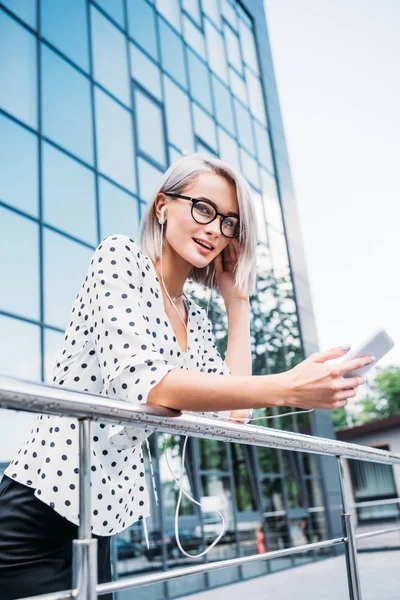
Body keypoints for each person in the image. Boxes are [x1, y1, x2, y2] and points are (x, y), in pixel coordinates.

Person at [0, 154, 372, 599]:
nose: (215, 229)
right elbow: (148, 383)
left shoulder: (192, 318)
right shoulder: (119, 259)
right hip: (40, 505)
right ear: (162, 207)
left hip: (102, 516)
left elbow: (236, 412)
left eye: (230, 222)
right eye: (203, 208)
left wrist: (238, 306)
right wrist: (289, 387)